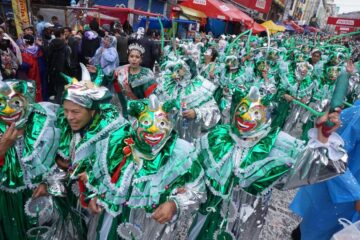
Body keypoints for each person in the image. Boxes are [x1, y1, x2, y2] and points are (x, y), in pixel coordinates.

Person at [189, 86, 347, 240]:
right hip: (208, 215)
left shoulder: (277, 144)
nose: (246, 117)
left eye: (255, 113)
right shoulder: (219, 136)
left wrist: (323, 136)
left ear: (265, 115)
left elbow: (314, 168)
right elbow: (192, 167)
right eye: (243, 110)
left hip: (244, 221)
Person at [85, 94, 206, 239]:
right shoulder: (119, 144)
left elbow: (198, 189)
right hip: (114, 224)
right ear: (136, 124)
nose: (153, 130)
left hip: (155, 229)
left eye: (161, 123)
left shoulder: (182, 153)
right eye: (146, 122)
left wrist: (175, 204)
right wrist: (95, 195)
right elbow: (101, 177)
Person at [32, 65, 126, 239]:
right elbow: (57, 161)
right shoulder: (63, 125)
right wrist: (48, 180)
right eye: (66, 111)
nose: (69, 117)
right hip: (68, 201)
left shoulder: (112, 132)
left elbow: (119, 173)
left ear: (92, 111)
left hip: (97, 206)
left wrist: (97, 188)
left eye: (76, 112)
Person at [0, 79, 60, 240]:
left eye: (16, 102)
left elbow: (63, 163)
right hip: (7, 208)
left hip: (42, 204)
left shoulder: (46, 127)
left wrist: (49, 183)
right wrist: (2, 148)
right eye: (1, 103)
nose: (7, 109)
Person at [113, 43, 157, 117]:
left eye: (137, 57)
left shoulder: (146, 74)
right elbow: (109, 77)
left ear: (141, 59)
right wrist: (97, 72)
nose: (134, 59)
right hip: (126, 112)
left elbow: (152, 97)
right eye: (131, 56)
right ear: (128, 58)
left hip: (143, 112)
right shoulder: (121, 72)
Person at [47, 28, 71, 103]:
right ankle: (61, 104)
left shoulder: (51, 44)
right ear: (61, 35)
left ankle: (57, 102)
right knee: (62, 88)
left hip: (53, 70)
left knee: (57, 87)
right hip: (63, 70)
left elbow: (48, 56)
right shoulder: (64, 46)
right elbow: (68, 60)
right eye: (64, 34)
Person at [21, 34, 45, 102]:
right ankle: (41, 100)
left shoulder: (24, 53)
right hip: (40, 70)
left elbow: (25, 66)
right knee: (39, 86)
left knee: (32, 87)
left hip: (30, 73)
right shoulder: (39, 49)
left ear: (25, 42)